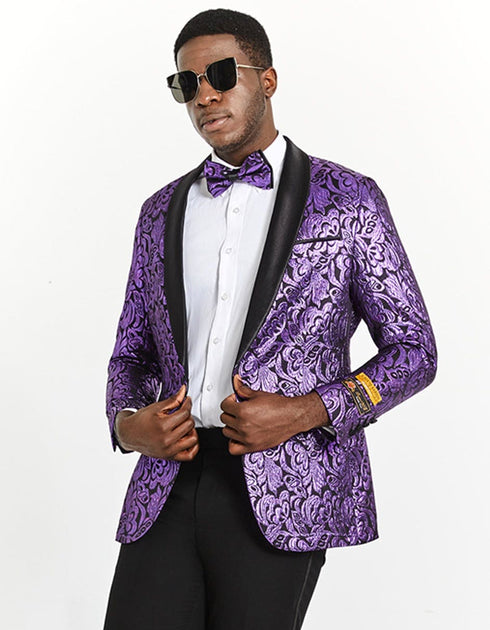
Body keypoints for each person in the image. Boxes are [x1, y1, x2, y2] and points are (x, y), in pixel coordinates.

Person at [103, 8, 437, 630]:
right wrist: (127, 425)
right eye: (187, 83)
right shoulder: (160, 212)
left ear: (268, 80)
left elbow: (415, 351)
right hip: (166, 483)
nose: (205, 95)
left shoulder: (348, 201)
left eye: (220, 75)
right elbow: (132, 354)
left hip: (287, 487)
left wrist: (311, 410)